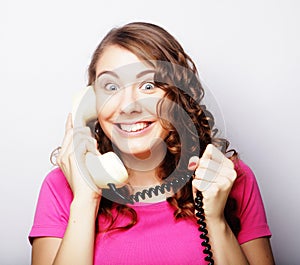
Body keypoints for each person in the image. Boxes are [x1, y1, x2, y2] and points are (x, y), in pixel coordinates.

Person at [28, 22, 275, 265]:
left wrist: (215, 220)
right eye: (111, 87)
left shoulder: (229, 178)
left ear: (177, 97)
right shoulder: (60, 187)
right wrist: (85, 200)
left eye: (148, 86)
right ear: (92, 102)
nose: (128, 106)